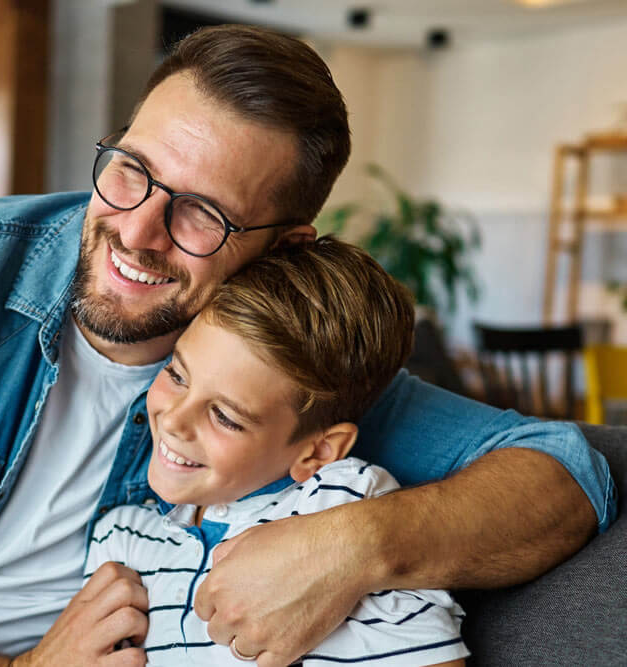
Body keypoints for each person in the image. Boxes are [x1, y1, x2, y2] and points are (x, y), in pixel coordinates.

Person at [0, 24, 614, 667]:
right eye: (131, 171)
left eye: (203, 217)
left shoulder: (278, 369)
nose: (139, 231)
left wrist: (355, 543)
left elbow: (569, 469)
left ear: (285, 248)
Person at [84, 238, 468, 666]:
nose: (173, 421)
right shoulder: (120, 538)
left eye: (225, 417)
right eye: (176, 375)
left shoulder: (338, 506)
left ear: (318, 451)